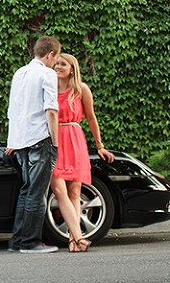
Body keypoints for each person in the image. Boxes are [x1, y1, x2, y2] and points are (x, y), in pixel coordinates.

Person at [50, 53, 114, 252]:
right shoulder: (49, 87)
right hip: (54, 140)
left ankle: (73, 239)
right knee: (59, 190)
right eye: (56, 64)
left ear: (72, 69)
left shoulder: (81, 89)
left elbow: (92, 118)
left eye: (63, 64)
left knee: (75, 192)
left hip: (74, 139)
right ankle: (79, 238)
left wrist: (100, 145)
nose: (58, 67)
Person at [5, 36, 61, 254]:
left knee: (26, 191)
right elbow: (51, 110)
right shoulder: (46, 73)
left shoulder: (20, 73)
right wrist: (55, 142)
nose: (55, 64)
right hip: (40, 139)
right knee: (37, 193)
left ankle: (18, 241)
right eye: (55, 59)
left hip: (22, 142)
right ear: (50, 54)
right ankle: (30, 242)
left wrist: (13, 142)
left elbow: (13, 111)